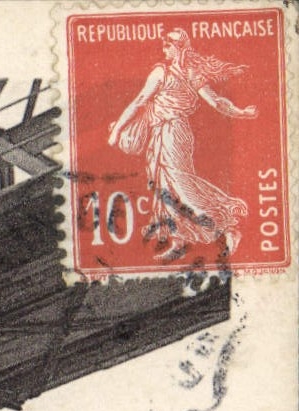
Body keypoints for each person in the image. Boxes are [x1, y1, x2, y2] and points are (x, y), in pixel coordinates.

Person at [108, 26, 256, 259]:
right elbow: (216, 101)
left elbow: (140, 101)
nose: (163, 48)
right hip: (167, 133)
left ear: (178, 49)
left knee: (180, 186)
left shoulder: (165, 72)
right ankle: (179, 242)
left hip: (172, 133)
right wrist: (242, 112)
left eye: (168, 45)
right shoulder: (188, 73)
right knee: (163, 186)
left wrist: (117, 130)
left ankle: (229, 229)